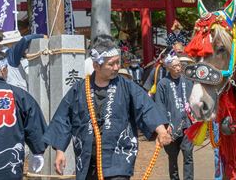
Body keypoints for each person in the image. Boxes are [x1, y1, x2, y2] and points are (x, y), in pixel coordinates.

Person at [43, 34, 172, 180]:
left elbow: (145, 107)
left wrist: (161, 131)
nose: (117, 67)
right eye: (111, 64)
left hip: (118, 159)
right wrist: (60, 151)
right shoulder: (79, 89)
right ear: (96, 66)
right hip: (88, 160)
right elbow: (64, 117)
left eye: (118, 62)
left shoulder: (127, 86)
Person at [0, 46, 47, 179]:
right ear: (3, 70)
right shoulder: (19, 95)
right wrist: (38, 151)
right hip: (10, 171)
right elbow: (34, 125)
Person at [155, 54, 194, 180]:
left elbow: (194, 99)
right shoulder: (163, 83)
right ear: (168, 68)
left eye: (179, 65)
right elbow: (159, 106)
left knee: (188, 155)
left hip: (187, 125)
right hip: (170, 127)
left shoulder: (187, 80)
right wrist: (165, 125)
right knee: (172, 158)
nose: (179, 68)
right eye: (175, 66)